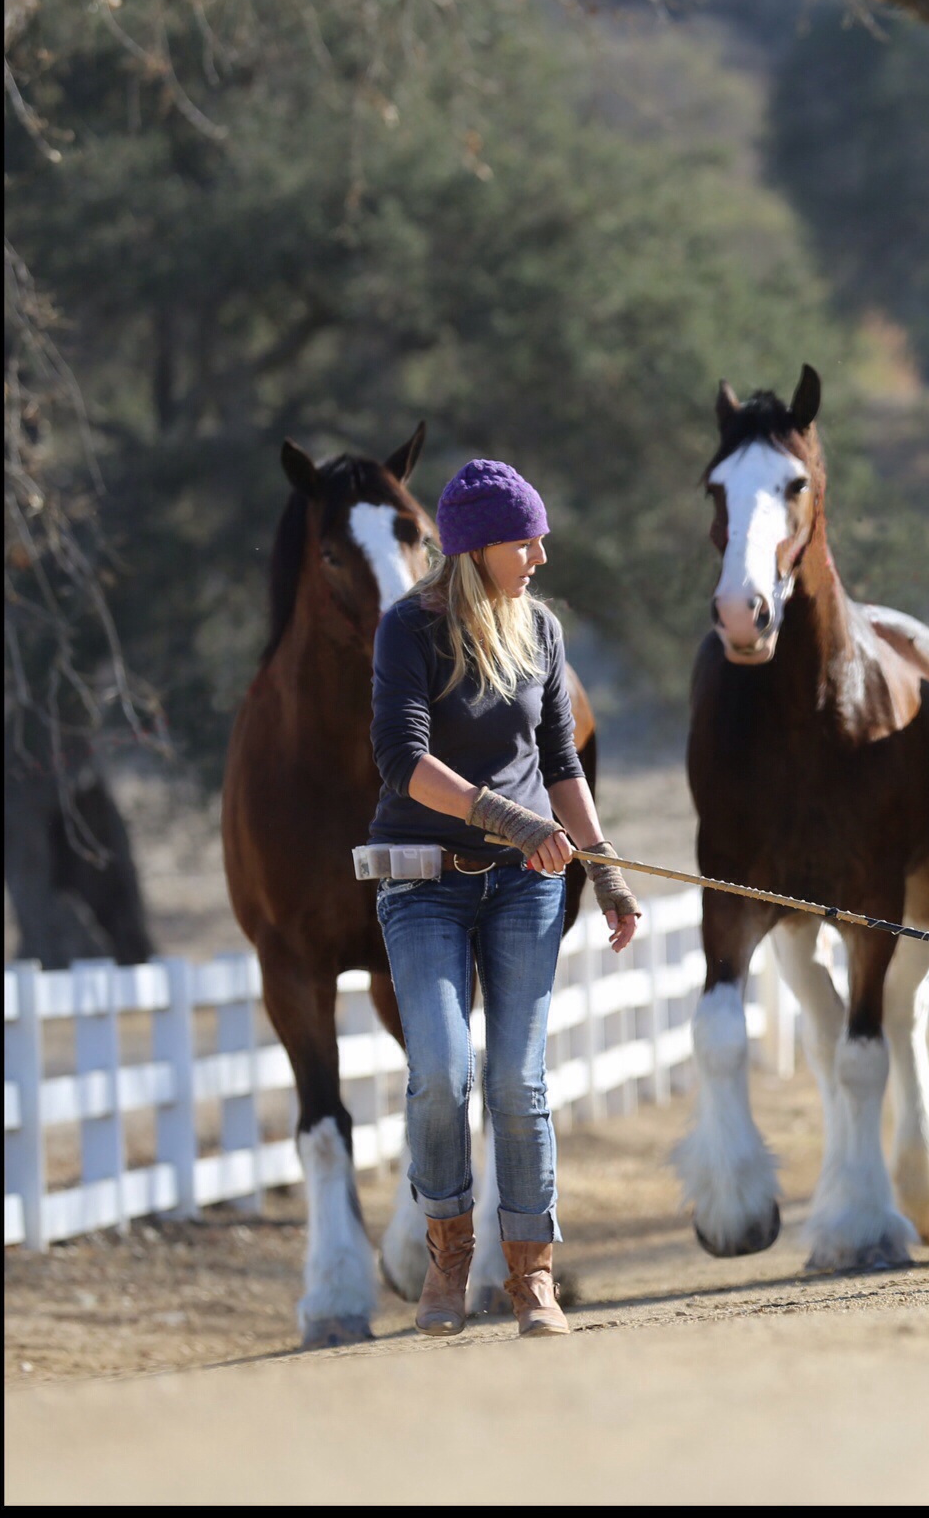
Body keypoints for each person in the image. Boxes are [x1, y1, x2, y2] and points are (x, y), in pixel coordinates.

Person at [369, 459, 641, 1339]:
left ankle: (532, 1279)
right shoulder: (407, 630)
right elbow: (403, 763)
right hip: (423, 884)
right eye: (528, 540)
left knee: (517, 1082)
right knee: (442, 1074)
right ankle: (449, 1261)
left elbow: (560, 765)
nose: (541, 555)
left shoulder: (543, 633)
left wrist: (606, 872)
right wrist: (507, 822)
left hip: (526, 891)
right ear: (480, 547)